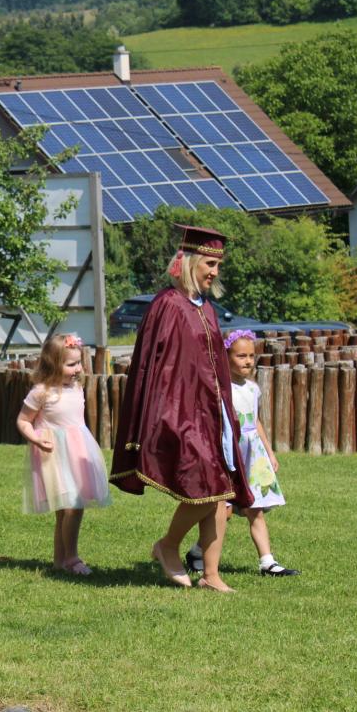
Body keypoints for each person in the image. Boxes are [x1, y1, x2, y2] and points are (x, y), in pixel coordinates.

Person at [109, 224, 252, 592]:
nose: (214, 272)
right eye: (209, 264)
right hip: (180, 413)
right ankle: (168, 545)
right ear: (189, 262)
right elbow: (153, 365)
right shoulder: (168, 305)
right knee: (207, 485)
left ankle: (211, 575)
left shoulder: (207, 309)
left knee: (221, 493)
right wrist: (162, 412)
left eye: (218, 266)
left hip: (212, 414)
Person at [186, 330, 299, 577]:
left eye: (251, 356)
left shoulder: (252, 389)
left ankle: (267, 562)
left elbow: (255, 422)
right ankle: (197, 552)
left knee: (254, 508)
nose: (248, 361)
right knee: (223, 512)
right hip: (229, 456)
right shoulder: (220, 390)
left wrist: (269, 452)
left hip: (251, 455)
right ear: (225, 357)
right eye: (241, 356)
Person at [15, 333, 111, 575]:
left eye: (79, 363)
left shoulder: (76, 387)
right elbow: (23, 421)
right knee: (70, 507)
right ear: (52, 364)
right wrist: (36, 438)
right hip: (55, 456)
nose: (77, 369)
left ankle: (60, 560)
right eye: (71, 364)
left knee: (70, 508)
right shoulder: (41, 392)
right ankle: (72, 558)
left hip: (78, 453)